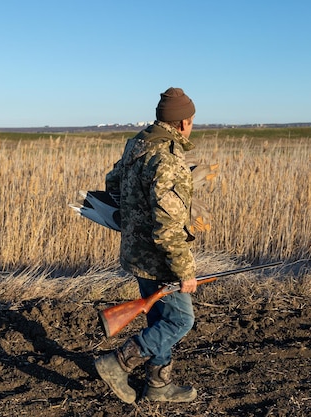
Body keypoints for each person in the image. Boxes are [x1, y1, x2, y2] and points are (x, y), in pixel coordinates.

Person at [95, 87, 199, 403]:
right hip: (160, 259)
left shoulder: (137, 146)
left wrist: (136, 214)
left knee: (158, 316)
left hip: (137, 252)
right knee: (180, 319)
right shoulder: (168, 160)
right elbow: (168, 228)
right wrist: (185, 270)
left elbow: (112, 182)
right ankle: (119, 362)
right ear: (182, 123)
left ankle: (158, 385)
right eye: (191, 120)